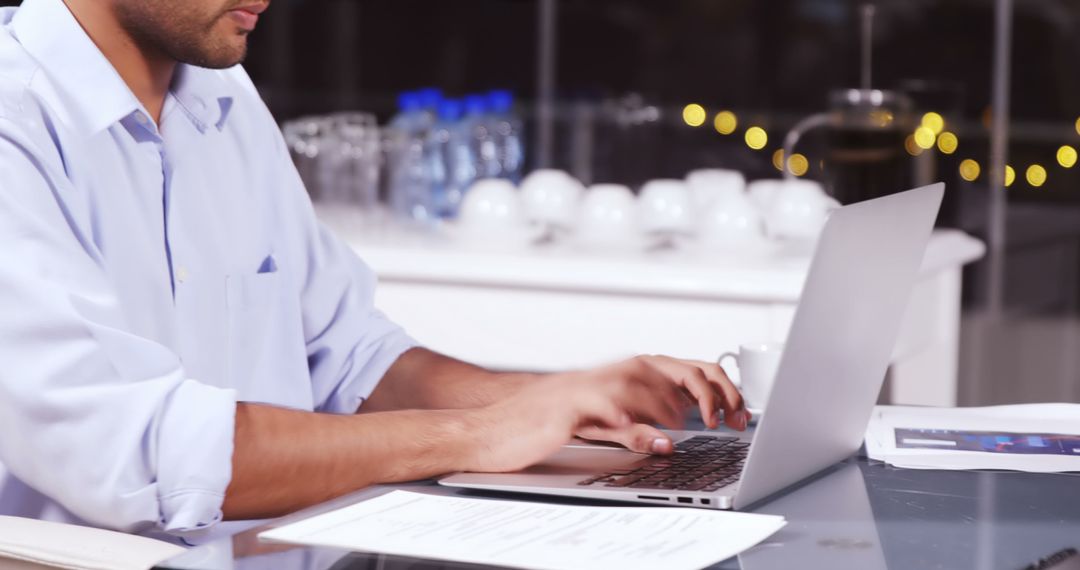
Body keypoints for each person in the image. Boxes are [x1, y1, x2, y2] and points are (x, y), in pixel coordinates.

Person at [0, 0, 749, 543]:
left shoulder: (222, 98)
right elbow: (149, 454)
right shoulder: (17, 126)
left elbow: (350, 355)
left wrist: (561, 399)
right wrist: (479, 433)